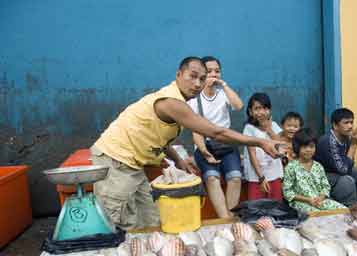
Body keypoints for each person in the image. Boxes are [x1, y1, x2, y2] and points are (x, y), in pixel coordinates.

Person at [90, 57, 280, 229]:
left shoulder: (182, 101)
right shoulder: (172, 102)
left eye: (202, 79)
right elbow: (216, 132)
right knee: (118, 224)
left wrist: (178, 160)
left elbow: (158, 136)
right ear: (178, 75)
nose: (197, 84)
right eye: (193, 76)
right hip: (115, 162)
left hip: (134, 165)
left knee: (151, 222)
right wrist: (260, 142)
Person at [187, 56, 244, 218]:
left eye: (217, 71)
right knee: (212, 178)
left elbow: (239, 106)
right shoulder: (194, 99)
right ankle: (224, 219)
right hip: (205, 145)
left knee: (235, 178)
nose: (214, 74)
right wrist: (204, 151)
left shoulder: (223, 94)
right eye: (209, 71)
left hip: (226, 144)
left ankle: (230, 217)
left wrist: (224, 85)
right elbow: (195, 130)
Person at [283, 128, 344, 212]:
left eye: (311, 146)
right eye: (304, 147)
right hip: (300, 203)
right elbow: (287, 192)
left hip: (319, 201)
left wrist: (320, 198)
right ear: (297, 147)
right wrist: (308, 200)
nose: (308, 150)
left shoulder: (318, 166)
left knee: (343, 210)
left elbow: (325, 187)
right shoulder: (291, 167)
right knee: (317, 215)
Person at [314, 107, 357, 207]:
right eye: (346, 123)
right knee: (347, 181)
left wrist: (352, 144)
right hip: (321, 176)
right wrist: (354, 146)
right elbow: (343, 170)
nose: (350, 126)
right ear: (335, 125)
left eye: (351, 122)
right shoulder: (328, 141)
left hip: (335, 172)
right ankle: (349, 209)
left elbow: (348, 164)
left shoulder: (346, 137)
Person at [243, 93, 283, 201]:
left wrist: (269, 129)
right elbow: (252, 155)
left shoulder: (273, 125)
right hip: (257, 177)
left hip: (274, 174)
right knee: (257, 206)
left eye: (265, 108)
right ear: (250, 111)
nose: (261, 112)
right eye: (257, 108)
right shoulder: (249, 129)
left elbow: (280, 146)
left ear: (269, 110)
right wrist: (261, 177)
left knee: (276, 206)